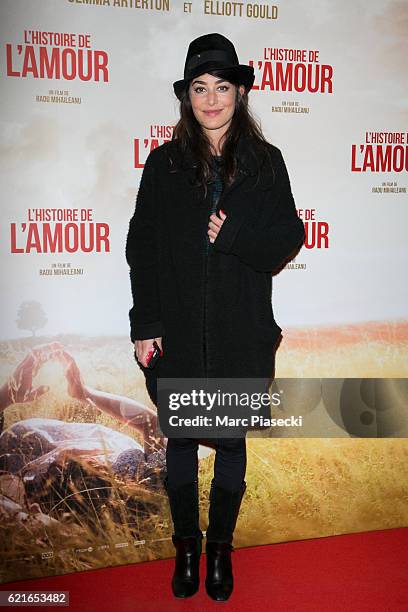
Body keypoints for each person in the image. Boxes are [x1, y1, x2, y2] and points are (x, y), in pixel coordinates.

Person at [125, 33, 305, 601]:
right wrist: (144, 324)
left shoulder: (265, 163)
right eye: (199, 88)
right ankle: (187, 547)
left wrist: (233, 236)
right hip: (176, 335)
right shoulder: (163, 164)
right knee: (180, 440)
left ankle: (221, 550)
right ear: (187, 97)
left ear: (239, 92)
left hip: (238, 334)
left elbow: (287, 239)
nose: (210, 99)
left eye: (221, 87)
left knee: (229, 443)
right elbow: (142, 248)